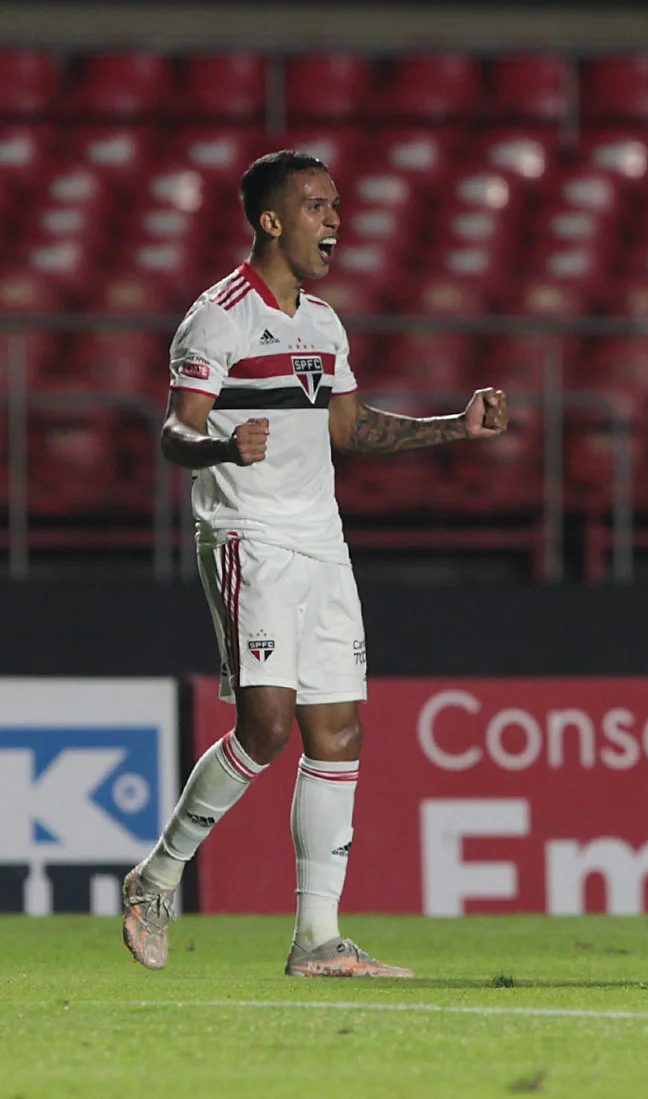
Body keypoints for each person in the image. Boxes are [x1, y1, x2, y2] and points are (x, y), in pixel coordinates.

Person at [121, 150, 510, 978]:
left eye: (336, 205)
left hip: (322, 541)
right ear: (271, 220)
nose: (335, 220)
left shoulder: (324, 324)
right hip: (246, 534)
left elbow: (349, 430)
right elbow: (173, 432)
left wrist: (456, 426)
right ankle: (158, 875)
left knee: (338, 730)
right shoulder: (219, 317)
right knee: (264, 726)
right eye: (317, 206)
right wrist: (223, 442)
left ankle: (318, 938)